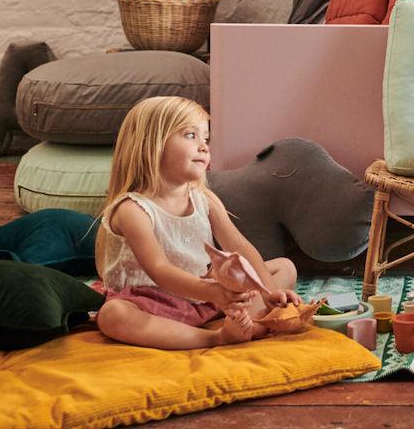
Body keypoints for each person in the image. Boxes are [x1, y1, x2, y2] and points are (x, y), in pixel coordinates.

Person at [94, 96, 300, 349]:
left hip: (204, 299)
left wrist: (269, 293)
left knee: (284, 268)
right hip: (153, 302)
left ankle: (247, 319)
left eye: (205, 138)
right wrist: (213, 292)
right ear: (152, 144)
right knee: (113, 316)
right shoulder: (132, 210)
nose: (204, 147)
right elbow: (160, 271)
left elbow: (240, 247)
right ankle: (217, 336)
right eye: (191, 135)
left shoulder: (204, 198)